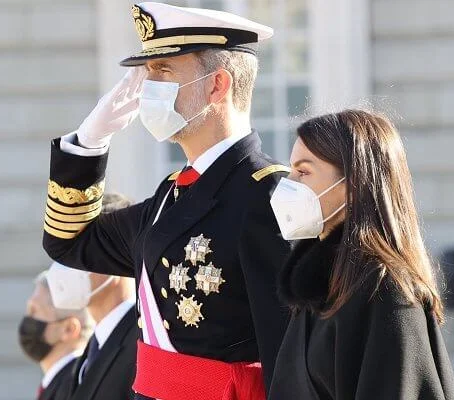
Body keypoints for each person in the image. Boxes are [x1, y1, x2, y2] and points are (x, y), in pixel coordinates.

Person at [41, 3, 291, 399]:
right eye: (148, 72)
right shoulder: (170, 195)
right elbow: (69, 242)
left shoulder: (268, 196)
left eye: (163, 71)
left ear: (217, 85)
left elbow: (287, 352)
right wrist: (88, 144)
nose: (145, 86)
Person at [268, 110, 454, 400]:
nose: (289, 182)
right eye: (291, 170)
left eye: (303, 172)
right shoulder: (319, 286)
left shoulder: (385, 290)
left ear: (354, 184)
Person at [46, 193, 138, 400]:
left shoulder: (145, 339)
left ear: (113, 254)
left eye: (81, 250)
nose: (68, 263)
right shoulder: (91, 348)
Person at [18, 270, 93, 400]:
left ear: (69, 329)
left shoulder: (76, 385)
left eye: (34, 310)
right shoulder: (58, 383)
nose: (27, 319)